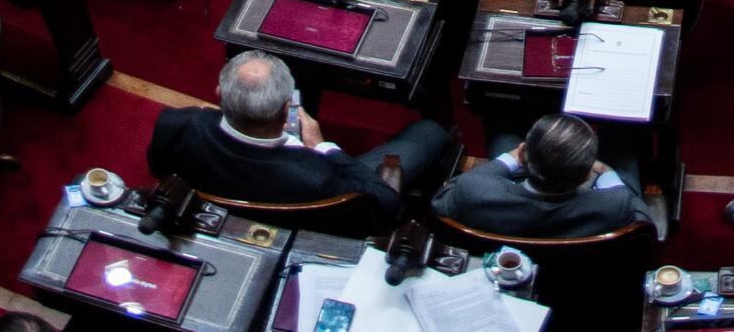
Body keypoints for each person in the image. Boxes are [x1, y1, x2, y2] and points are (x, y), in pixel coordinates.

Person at [154, 50, 454, 220]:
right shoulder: (318, 176)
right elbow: (385, 202)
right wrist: (323, 147)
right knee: (429, 132)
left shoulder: (177, 124)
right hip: (303, 196)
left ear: (219, 94)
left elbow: (161, 170)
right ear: (289, 110)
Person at [432, 108, 642, 235]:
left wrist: (506, 161)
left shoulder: (473, 192)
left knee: (504, 135)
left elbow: (444, 199)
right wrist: (605, 171)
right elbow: (643, 222)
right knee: (624, 152)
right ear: (587, 175)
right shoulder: (615, 206)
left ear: (523, 153)